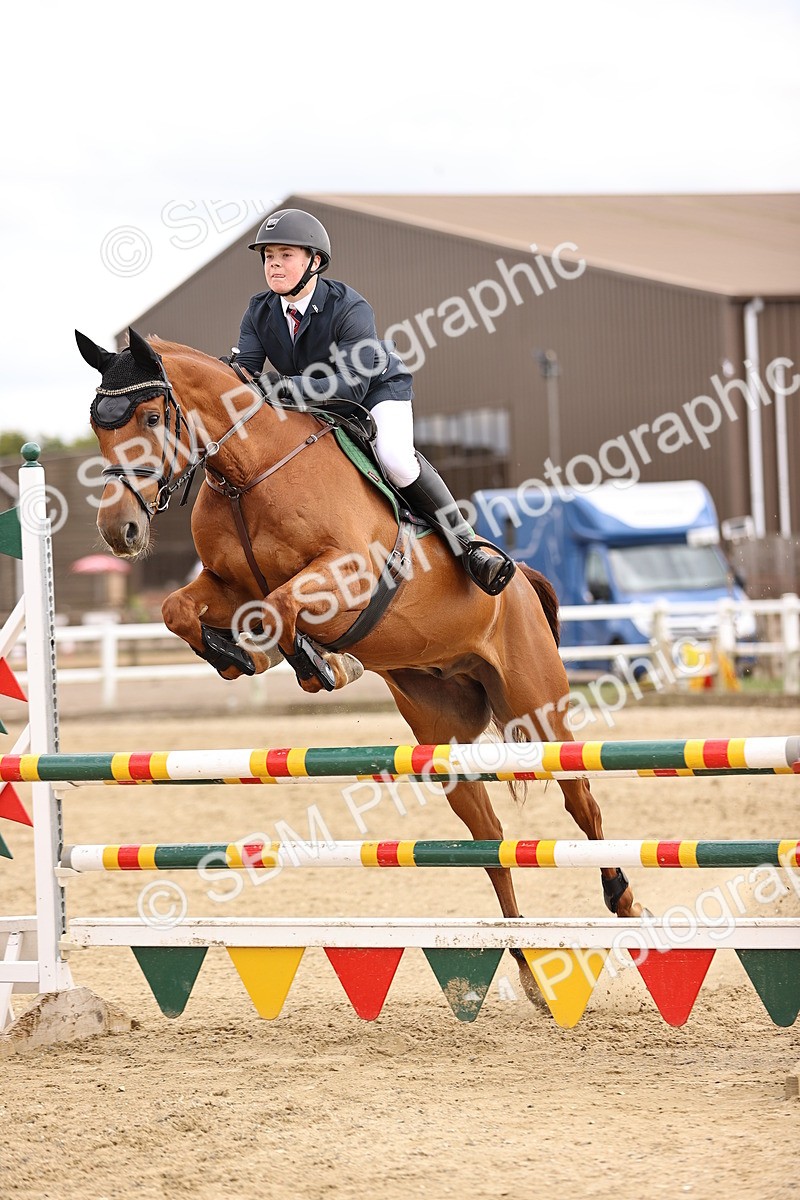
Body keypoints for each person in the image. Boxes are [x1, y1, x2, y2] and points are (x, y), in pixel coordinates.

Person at [235, 208, 514, 596]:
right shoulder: (258, 310)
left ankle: (470, 548)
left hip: (374, 392)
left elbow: (350, 386)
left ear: (314, 261)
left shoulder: (350, 307)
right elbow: (242, 373)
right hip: (311, 405)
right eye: (268, 257)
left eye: (286, 255)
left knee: (396, 460)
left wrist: (282, 387)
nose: (274, 265)